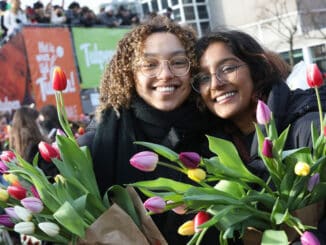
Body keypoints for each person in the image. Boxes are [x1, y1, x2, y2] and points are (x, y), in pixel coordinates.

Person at [78, 15, 218, 244]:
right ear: (129, 73)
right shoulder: (97, 144)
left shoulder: (221, 128)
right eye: (149, 64)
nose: (165, 74)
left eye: (179, 62)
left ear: (193, 68)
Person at [192, 29, 326, 244]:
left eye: (227, 68)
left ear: (256, 69)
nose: (216, 84)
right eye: (203, 77)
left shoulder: (309, 127)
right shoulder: (212, 152)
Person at [9, 106, 57, 178]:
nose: (41, 125)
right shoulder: (36, 147)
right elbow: (52, 174)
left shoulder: (15, 147)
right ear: (32, 124)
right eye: (39, 122)